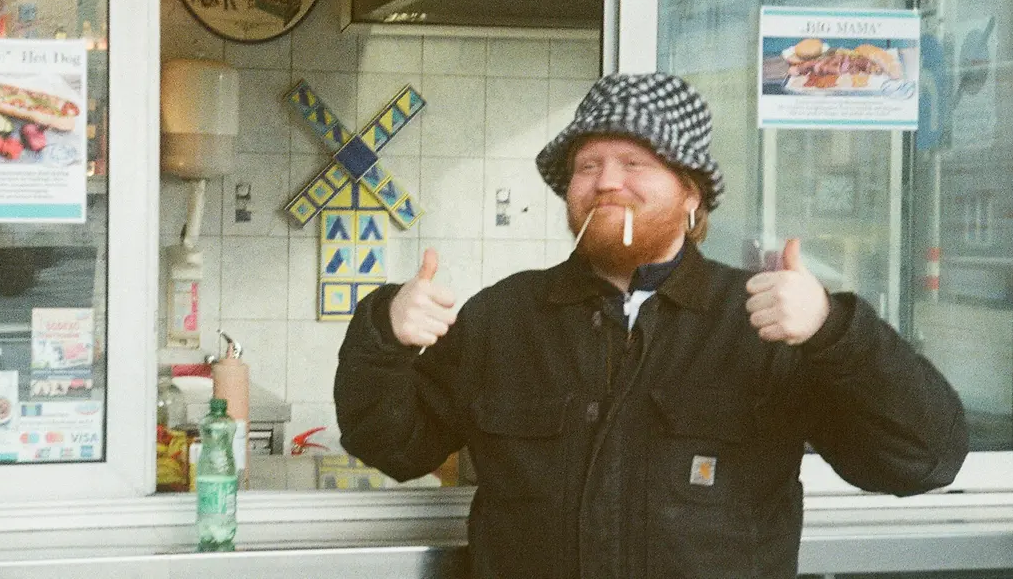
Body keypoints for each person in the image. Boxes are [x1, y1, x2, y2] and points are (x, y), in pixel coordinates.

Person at [334, 73, 969, 579]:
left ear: (691, 193)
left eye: (635, 162)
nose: (606, 182)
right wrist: (385, 335)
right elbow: (392, 446)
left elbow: (922, 462)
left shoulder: (760, 321)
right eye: (587, 165)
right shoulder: (505, 317)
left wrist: (835, 332)